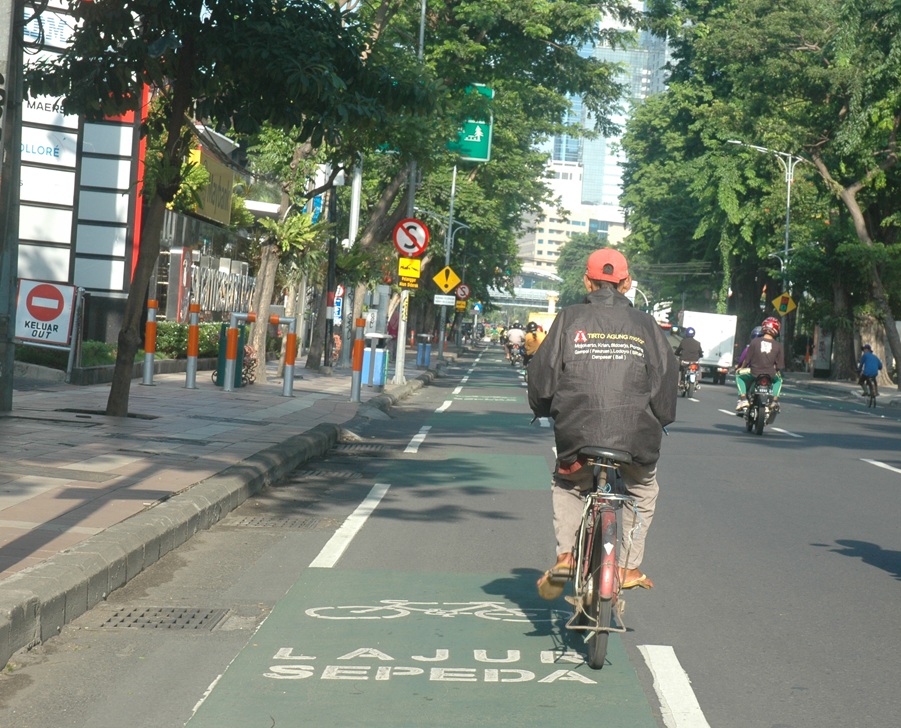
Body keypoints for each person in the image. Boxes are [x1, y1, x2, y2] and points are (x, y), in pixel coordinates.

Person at [527, 248, 678, 599]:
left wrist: (543, 408)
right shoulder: (646, 325)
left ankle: (565, 555)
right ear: (625, 283)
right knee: (642, 490)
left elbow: (543, 376)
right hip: (635, 440)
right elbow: (666, 382)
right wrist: (663, 418)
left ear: (586, 280)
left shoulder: (568, 318)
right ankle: (627, 566)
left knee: (567, 484)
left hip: (577, 438)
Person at [735, 316, 784, 412]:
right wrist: (775, 372)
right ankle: (775, 400)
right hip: (770, 374)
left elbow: (747, 359)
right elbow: (779, 366)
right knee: (779, 381)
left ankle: (743, 399)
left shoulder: (755, 342)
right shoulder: (778, 346)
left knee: (738, 376)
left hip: (754, 373)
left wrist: (741, 368)